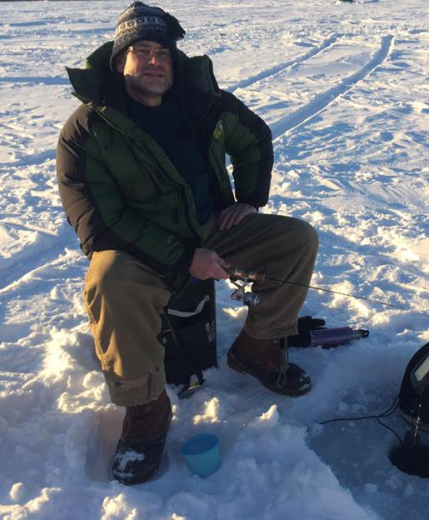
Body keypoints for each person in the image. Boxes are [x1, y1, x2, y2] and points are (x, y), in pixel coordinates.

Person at [56, 1, 318, 485]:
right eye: (142, 51)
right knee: (108, 278)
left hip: (211, 229)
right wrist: (184, 257)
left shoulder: (204, 102)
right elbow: (98, 226)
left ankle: (257, 348)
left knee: (296, 239)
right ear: (120, 62)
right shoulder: (87, 129)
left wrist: (250, 200)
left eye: (163, 52)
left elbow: (255, 138)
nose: (155, 61)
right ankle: (146, 408)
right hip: (141, 249)